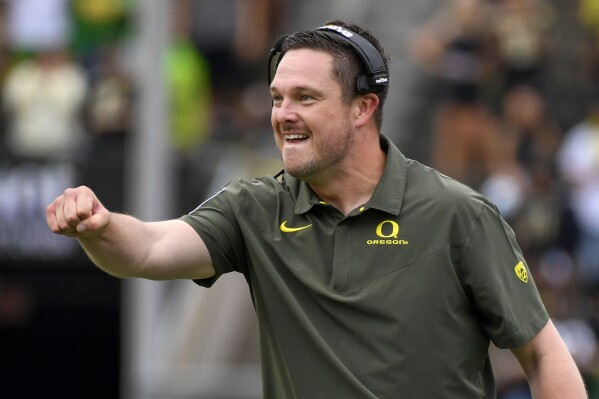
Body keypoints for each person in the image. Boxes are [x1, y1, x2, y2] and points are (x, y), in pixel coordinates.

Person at [46, 20, 586, 398]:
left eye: (305, 98)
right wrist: (100, 226)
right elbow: (149, 249)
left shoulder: (459, 215)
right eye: (277, 97)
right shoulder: (252, 207)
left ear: (363, 108)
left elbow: (543, 357)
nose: (282, 114)